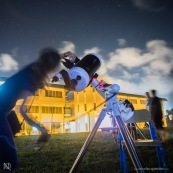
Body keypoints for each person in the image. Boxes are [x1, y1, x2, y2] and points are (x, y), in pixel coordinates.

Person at [0, 48, 61, 172]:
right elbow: (22, 110)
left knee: (15, 128)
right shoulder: (31, 81)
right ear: (51, 67)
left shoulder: (31, 69)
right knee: (10, 159)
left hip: (5, 110)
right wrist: (41, 129)